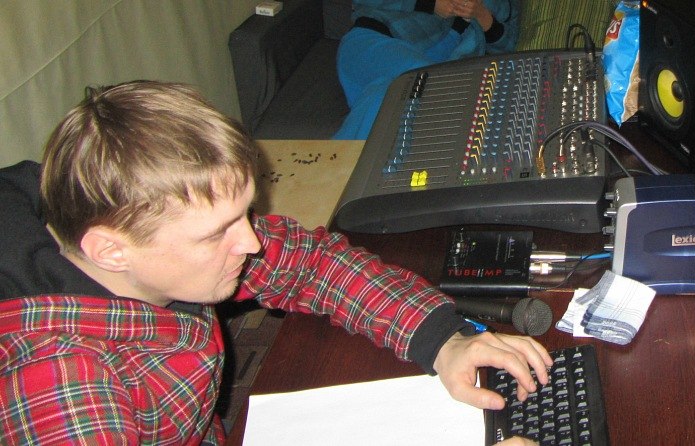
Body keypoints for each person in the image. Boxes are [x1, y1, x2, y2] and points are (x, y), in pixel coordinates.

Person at [0, 80, 549, 445]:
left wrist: (442, 340)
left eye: (243, 215)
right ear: (110, 250)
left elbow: (309, 263)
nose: (251, 242)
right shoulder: (60, 384)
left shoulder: (145, 256)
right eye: (217, 232)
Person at [333, 0, 520, 139]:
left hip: (426, 77)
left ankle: (332, 171)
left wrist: (484, 17)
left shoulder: (506, 5)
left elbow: (510, 47)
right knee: (426, 86)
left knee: (386, 100)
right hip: (374, 43)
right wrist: (430, 3)